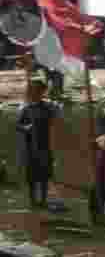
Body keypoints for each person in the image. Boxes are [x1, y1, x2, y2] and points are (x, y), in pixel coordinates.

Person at [16, 78, 59, 208]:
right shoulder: (26, 108)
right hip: (31, 147)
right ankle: (33, 199)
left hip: (44, 145)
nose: (35, 93)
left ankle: (44, 199)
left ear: (42, 92)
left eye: (38, 91)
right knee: (31, 175)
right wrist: (26, 128)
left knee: (45, 174)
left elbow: (55, 117)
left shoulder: (48, 107)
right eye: (33, 90)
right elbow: (18, 125)